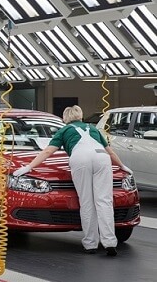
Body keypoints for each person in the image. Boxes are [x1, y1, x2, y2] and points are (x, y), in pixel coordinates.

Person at [13, 105, 132, 256]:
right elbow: (111, 151)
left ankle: (90, 244)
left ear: (65, 118)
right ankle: (109, 242)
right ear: (80, 116)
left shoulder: (64, 130)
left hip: (80, 158)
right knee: (104, 202)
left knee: (87, 202)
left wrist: (28, 167)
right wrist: (122, 166)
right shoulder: (93, 129)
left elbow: (48, 151)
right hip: (102, 157)